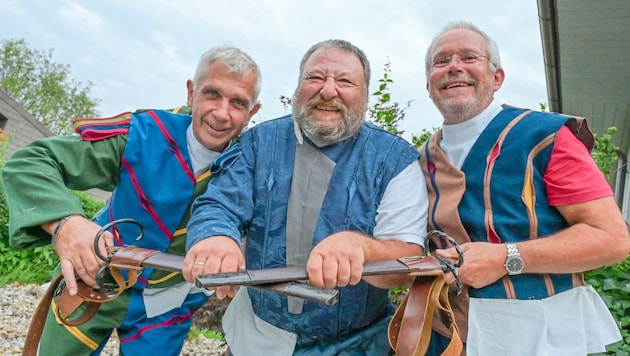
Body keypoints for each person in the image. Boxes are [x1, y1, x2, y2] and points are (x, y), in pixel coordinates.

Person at [1, 46, 261, 355]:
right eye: (212, 94)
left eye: (238, 103)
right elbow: (31, 162)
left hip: (168, 303)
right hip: (91, 280)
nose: (221, 112)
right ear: (192, 93)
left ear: (252, 112)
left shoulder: (253, 166)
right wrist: (66, 224)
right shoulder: (143, 134)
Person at [183, 39, 429, 355]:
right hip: (256, 336)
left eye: (345, 81)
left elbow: (405, 263)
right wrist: (216, 236)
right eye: (315, 78)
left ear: (365, 95)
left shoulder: (397, 161)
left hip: (358, 344)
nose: (328, 91)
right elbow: (219, 203)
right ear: (299, 85)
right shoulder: (258, 142)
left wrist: (360, 246)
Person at [419, 21, 630, 355]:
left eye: (469, 57)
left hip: (534, 336)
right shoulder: (421, 157)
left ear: (497, 77)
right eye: (441, 62)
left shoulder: (544, 136)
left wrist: (507, 258)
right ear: (429, 83)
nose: (454, 67)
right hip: (443, 334)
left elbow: (612, 240)